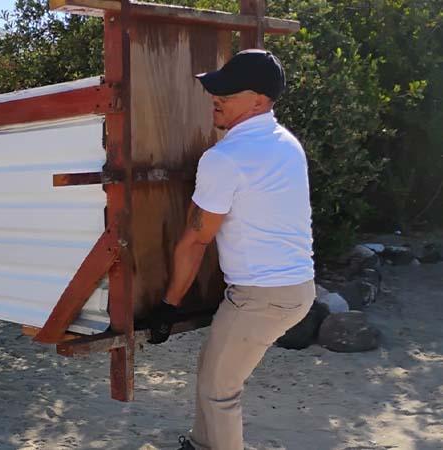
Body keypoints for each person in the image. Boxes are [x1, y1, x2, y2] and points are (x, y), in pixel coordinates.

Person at [153, 50, 316, 450]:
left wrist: (169, 305)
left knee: (219, 390)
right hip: (294, 288)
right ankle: (201, 444)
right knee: (213, 371)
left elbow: (196, 238)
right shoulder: (286, 143)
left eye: (228, 91)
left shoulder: (226, 158)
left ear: (260, 101)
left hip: (261, 296)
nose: (216, 96)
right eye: (217, 88)